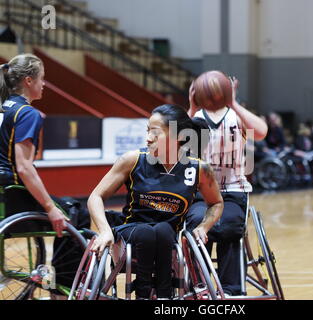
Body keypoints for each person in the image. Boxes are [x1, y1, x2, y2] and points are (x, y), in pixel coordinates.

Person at [89, 104, 224, 300]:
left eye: (155, 132)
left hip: (166, 240)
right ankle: (143, 294)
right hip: (129, 236)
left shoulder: (199, 168)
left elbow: (216, 203)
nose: (148, 138)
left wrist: (204, 226)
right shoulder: (133, 159)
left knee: (162, 229)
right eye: (147, 131)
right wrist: (104, 230)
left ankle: (164, 296)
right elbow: (96, 196)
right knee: (147, 232)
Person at [186, 76, 268, 296]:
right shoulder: (194, 118)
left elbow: (261, 132)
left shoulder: (236, 116)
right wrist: (192, 108)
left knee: (229, 226)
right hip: (200, 192)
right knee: (195, 223)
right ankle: (199, 284)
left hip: (233, 190)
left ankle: (231, 291)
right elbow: (172, 143)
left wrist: (234, 103)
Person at [0, 54, 68, 235]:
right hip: (13, 197)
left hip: (3, 195)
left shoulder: (3, 108)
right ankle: (64, 265)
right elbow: (23, 168)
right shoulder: (27, 113)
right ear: (29, 80)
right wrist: (50, 208)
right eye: (42, 78)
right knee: (74, 212)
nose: (44, 84)